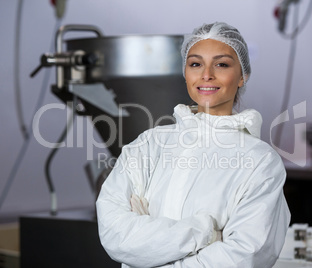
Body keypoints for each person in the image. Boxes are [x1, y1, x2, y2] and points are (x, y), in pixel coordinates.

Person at [96, 22, 291, 268]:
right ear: (186, 73)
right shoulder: (149, 144)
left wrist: (148, 250)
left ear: (243, 76)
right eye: (196, 64)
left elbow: (245, 256)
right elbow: (116, 235)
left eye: (221, 64)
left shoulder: (260, 162)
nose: (206, 74)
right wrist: (206, 232)